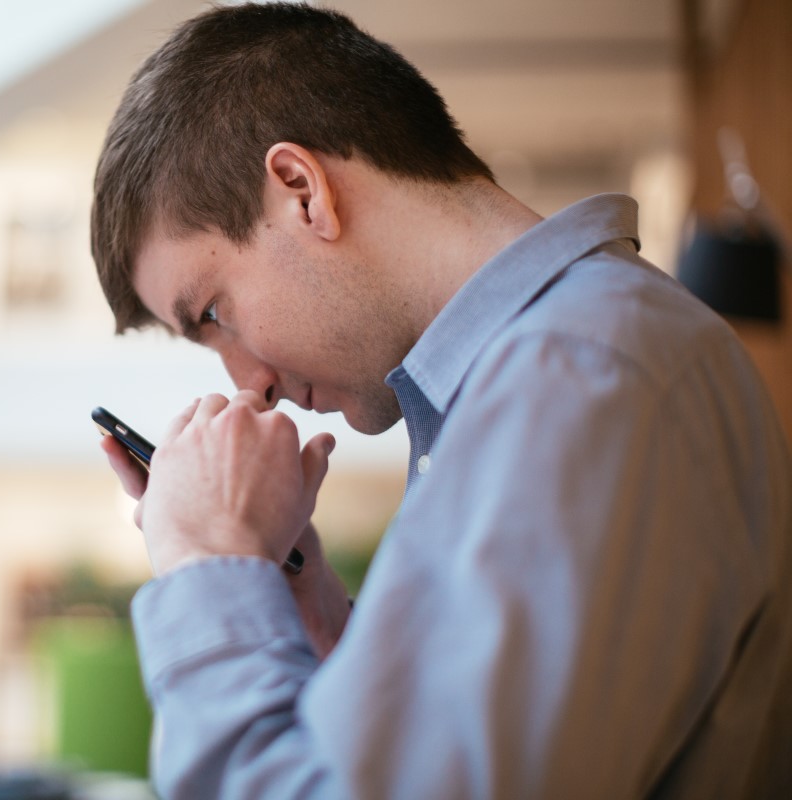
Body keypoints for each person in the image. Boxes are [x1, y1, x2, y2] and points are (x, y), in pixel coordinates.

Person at [89, 3, 792, 798]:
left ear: (302, 190)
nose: (248, 382)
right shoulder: (557, 373)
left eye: (213, 312)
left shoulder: (578, 378)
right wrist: (317, 625)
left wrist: (208, 565)